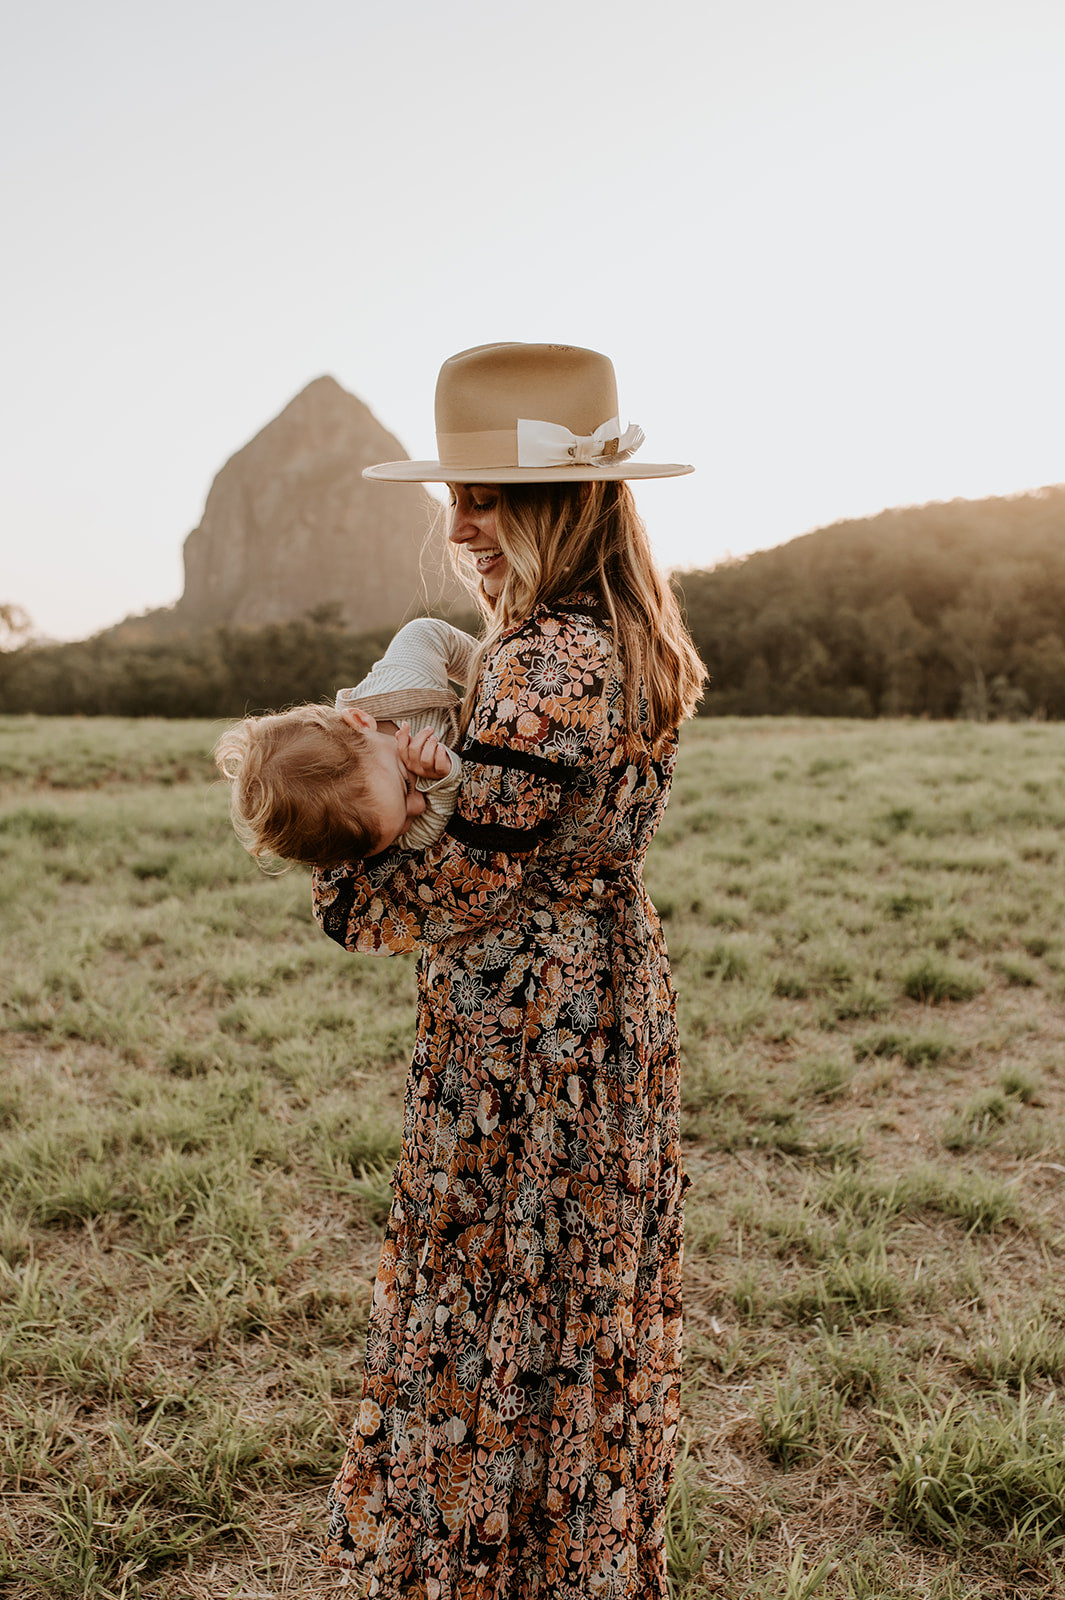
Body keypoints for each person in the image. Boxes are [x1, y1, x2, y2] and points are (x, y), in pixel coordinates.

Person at [312, 342, 705, 1599]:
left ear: (556, 500)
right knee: (574, 1297)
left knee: (500, 1297)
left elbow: (465, 889)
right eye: (456, 493)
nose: (460, 521)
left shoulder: (542, 661)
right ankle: (569, 1557)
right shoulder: (628, 638)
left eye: (484, 493)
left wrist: (335, 859)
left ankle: (495, 1570)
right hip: (610, 996)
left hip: (530, 1027)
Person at [214, 616, 477, 865]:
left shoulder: (403, 684)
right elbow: (422, 838)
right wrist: (446, 779)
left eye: (406, 785)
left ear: (360, 723)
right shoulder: (377, 821)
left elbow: (427, 633)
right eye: (402, 829)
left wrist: (493, 681)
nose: (419, 806)